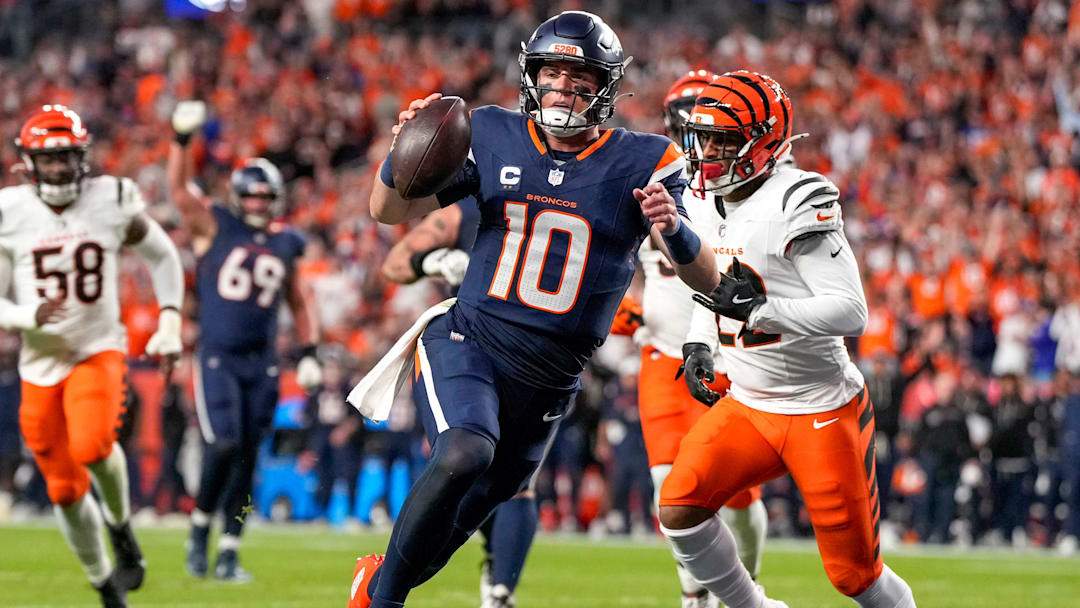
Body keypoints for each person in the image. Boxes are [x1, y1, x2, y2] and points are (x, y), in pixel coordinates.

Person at [347, 11, 718, 608]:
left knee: (455, 527)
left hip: (551, 378)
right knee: (465, 450)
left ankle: (381, 581)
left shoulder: (647, 159)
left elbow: (706, 276)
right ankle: (379, 602)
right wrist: (399, 157)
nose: (563, 89)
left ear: (606, 87)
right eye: (552, 73)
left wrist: (673, 230)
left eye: (580, 78)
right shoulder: (492, 131)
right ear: (531, 75)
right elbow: (388, 212)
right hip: (472, 338)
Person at [659, 71, 916, 608]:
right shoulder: (705, 200)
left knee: (856, 578)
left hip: (820, 408)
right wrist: (700, 340)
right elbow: (715, 287)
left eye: (725, 140)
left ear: (764, 142)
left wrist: (761, 310)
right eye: (704, 138)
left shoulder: (798, 197)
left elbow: (852, 311)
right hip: (750, 404)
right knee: (678, 508)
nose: (708, 151)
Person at [1, 104, 185, 607]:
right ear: (28, 162)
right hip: (39, 364)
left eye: (67, 157)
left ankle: (121, 528)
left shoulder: (111, 198)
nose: (59, 168)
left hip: (96, 349)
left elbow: (162, 254)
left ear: (82, 157)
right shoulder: (9, 212)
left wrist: (169, 318)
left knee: (92, 444)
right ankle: (104, 581)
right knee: (62, 488)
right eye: (50, 158)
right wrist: (25, 317)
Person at [614, 70, 768, 608]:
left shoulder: (754, 188)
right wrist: (626, 312)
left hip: (728, 358)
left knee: (742, 502)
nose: (703, 140)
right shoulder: (651, 177)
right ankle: (693, 598)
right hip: (661, 356)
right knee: (669, 491)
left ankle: (743, 589)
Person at [167, 100, 323, 582]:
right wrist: (181, 140)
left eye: (264, 197)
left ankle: (230, 547)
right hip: (218, 356)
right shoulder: (215, 224)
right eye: (250, 196)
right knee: (222, 445)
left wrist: (310, 350)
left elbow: (300, 300)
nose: (257, 204)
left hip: (264, 363)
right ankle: (198, 529)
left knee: (250, 456)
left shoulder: (285, 242)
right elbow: (178, 190)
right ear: (238, 197)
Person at [380, 199, 541, 608]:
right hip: (468, 352)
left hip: (537, 356)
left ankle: (500, 588)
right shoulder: (469, 207)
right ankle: (385, 590)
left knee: (515, 481)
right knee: (461, 463)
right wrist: (432, 261)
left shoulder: (566, 197)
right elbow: (395, 264)